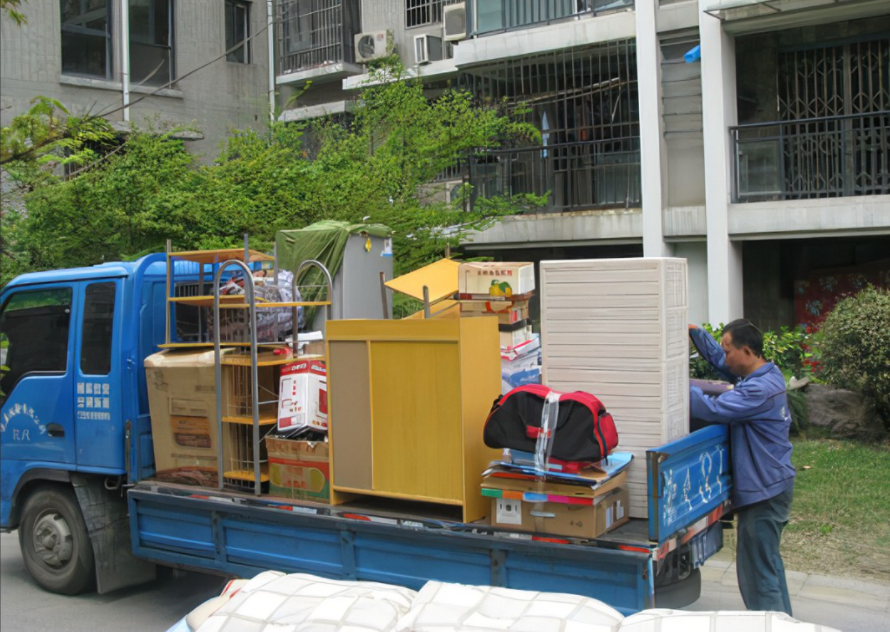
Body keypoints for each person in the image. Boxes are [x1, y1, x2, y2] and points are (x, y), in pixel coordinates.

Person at [689, 319, 796, 616]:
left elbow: (710, 408)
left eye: (728, 351)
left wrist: (670, 380)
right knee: (768, 568)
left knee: (759, 579)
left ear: (747, 351)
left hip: (764, 493)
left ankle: (770, 624)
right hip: (772, 487)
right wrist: (695, 332)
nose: (724, 358)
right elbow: (722, 361)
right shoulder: (765, 372)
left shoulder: (759, 390)